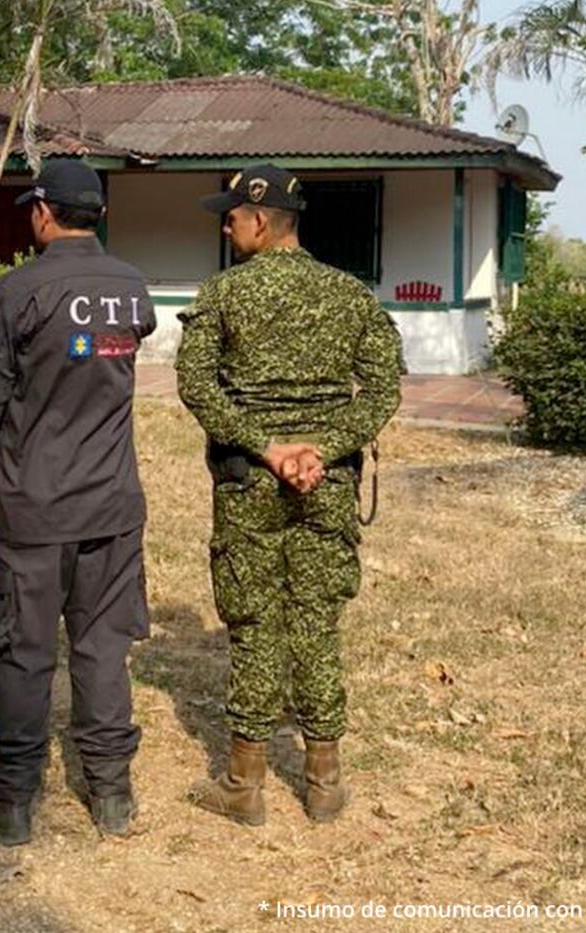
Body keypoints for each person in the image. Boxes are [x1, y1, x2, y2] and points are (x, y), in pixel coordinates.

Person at [0, 160, 156, 845]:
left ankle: (13, 803)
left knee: (25, 652)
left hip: (34, 511)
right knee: (103, 648)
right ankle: (112, 795)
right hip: (112, 507)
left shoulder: (15, 290)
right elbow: (76, 347)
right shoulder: (132, 288)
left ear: (44, 213)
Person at [177, 165, 403, 827]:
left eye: (230, 218)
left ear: (260, 219)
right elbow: (384, 389)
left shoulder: (223, 293)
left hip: (249, 479)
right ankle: (324, 784)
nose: (225, 227)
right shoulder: (351, 294)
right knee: (315, 622)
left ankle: (243, 785)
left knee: (253, 626)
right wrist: (323, 450)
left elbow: (196, 385)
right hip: (325, 482)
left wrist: (268, 448)